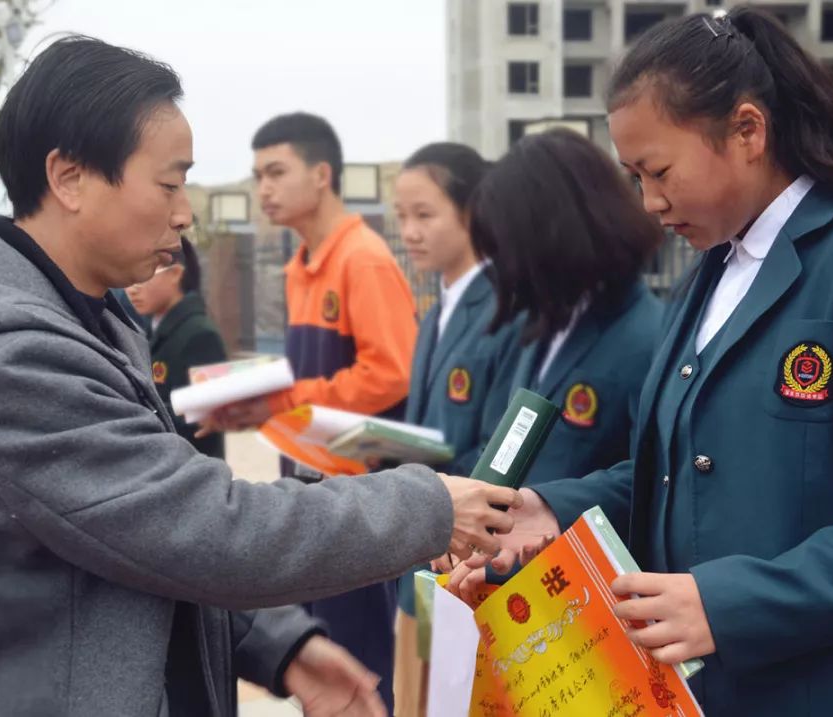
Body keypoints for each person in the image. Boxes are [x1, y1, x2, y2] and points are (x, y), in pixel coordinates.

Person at [0, 36, 521, 717]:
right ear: (69, 177)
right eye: (168, 183)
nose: (184, 212)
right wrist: (427, 505)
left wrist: (279, 642)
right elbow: (205, 527)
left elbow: (138, 539)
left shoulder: (90, 320)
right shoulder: (12, 368)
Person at [452, 7, 833, 716]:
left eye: (660, 170)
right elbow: (677, 472)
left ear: (748, 131)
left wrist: (732, 603)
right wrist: (550, 505)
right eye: (633, 175)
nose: (649, 201)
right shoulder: (707, 277)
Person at [199, 111, 421, 713]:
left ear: (321, 174)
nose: (262, 189)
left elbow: (390, 372)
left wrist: (286, 400)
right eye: (256, 175)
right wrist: (255, 403)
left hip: (353, 498)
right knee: (318, 664)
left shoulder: (363, 259)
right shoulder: (302, 265)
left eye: (276, 172)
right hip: (303, 484)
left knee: (360, 668)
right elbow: (308, 380)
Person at [390, 142, 524, 715]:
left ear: (471, 212)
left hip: (462, 557)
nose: (409, 232)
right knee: (411, 697)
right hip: (420, 550)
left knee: (443, 699)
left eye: (425, 214)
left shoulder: (504, 308)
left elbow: (499, 445)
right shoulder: (437, 308)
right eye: (401, 217)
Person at [469, 129, 663, 490]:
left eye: (508, 247)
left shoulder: (647, 339)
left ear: (553, 234)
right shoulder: (541, 325)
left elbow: (648, 483)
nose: (502, 265)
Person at [127, 236, 228, 457]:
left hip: (194, 471)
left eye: (144, 275)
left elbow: (203, 416)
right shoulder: (152, 330)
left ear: (175, 274)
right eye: (129, 277)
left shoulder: (200, 335)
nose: (132, 289)